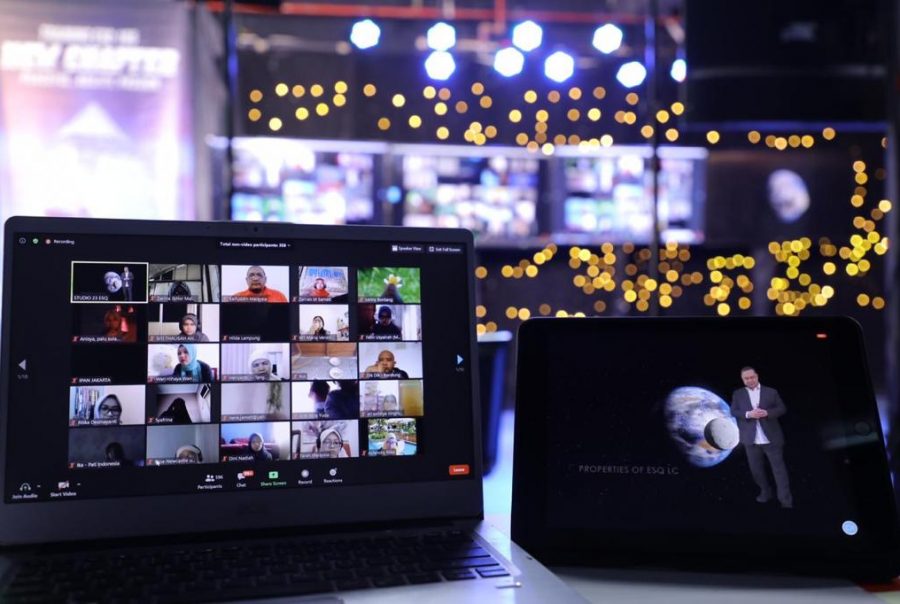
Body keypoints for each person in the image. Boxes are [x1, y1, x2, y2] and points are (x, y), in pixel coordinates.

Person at [730, 366, 793, 509]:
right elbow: (733, 411)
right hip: (751, 441)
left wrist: (767, 413)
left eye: (752, 377)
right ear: (743, 380)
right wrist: (748, 414)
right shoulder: (738, 394)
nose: (750, 380)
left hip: (772, 439)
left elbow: (782, 408)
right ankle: (765, 493)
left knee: (779, 471)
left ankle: (786, 501)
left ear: (757, 376)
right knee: (756, 471)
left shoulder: (771, 391)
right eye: (746, 378)